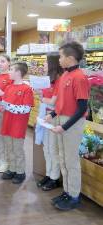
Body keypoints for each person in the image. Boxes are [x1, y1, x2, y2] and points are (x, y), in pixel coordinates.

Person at [45, 41, 90, 211]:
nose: (59, 59)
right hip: (61, 119)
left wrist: (64, 127)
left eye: (61, 56)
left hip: (71, 123)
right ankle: (67, 191)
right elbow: (63, 102)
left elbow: (82, 107)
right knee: (62, 157)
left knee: (71, 160)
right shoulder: (65, 75)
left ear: (70, 58)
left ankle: (74, 195)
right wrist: (52, 114)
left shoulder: (79, 77)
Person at [0, 62, 34, 184]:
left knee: (18, 149)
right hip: (7, 122)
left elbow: (26, 108)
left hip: (18, 125)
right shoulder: (8, 87)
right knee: (9, 147)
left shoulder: (27, 89)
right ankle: (12, 168)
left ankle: (20, 171)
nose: (9, 72)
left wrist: (7, 106)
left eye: (11, 69)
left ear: (18, 73)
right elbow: (5, 103)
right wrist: (2, 106)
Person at [35, 54, 63, 191]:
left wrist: (43, 100)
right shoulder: (49, 80)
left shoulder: (59, 80)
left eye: (46, 62)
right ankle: (49, 173)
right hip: (44, 116)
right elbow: (46, 98)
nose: (44, 64)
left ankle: (55, 177)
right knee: (46, 148)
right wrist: (40, 95)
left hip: (53, 117)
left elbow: (54, 101)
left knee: (53, 149)